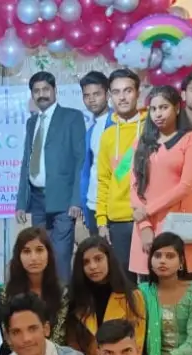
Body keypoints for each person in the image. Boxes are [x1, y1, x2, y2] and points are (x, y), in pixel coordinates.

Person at [15, 71, 87, 280]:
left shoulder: (72, 117)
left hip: (63, 201)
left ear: (55, 90)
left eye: (46, 89)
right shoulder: (32, 122)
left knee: (60, 257)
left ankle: (62, 298)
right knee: (39, 256)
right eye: (36, 91)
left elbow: (80, 160)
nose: (42, 94)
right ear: (32, 95)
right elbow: (27, 162)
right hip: (37, 201)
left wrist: (76, 200)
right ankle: (43, 298)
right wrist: (21, 203)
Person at [128, 85, 192, 278]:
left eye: (164, 107)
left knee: (180, 284)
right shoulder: (141, 143)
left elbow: (186, 186)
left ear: (177, 108)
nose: (158, 114)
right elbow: (134, 186)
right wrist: (144, 225)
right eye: (153, 109)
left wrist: (147, 210)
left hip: (179, 222)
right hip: (146, 225)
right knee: (148, 286)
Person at [63, 236, 145, 355]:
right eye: (86, 262)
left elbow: (137, 344)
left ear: (109, 259)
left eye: (98, 259)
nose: (93, 266)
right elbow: (72, 347)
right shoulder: (75, 298)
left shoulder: (132, 296)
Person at [94, 69, 145, 273]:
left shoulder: (152, 128)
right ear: (110, 96)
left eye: (128, 91)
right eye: (116, 92)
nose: (122, 97)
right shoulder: (107, 135)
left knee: (153, 280)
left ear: (138, 92)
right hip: (118, 220)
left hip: (148, 216)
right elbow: (104, 179)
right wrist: (101, 221)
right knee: (124, 280)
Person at [0, 227, 70, 351]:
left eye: (39, 250)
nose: (34, 258)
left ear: (48, 254)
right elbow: (9, 337)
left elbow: (59, 338)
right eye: (26, 251)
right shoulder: (6, 292)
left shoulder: (62, 292)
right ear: (18, 256)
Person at [78, 71, 111, 237]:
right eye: (87, 95)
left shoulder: (118, 123)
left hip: (112, 206)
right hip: (92, 205)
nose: (91, 99)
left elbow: (126, 163)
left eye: (96, 94)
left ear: (107, 94)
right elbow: (88, 170)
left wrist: (115, 188)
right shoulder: (90, 130)